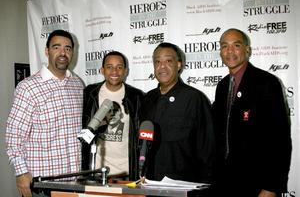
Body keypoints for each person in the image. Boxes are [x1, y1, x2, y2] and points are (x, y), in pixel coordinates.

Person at [212, 28, 292, 197]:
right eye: (224, 46)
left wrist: (271, 187)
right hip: (225, 183)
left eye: (236, 45)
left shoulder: (267, 83)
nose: (230, 51)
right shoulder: (222, 86)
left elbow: (280, 139)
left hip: (257, 185)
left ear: (247, 50)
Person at [6, 29, 84, 197]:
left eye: (68, 48)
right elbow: (14, 134)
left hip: (74, 182)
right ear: (47, 51)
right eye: (57, 47)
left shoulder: (77, 84)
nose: (63, 52)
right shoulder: (28, 87)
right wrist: (21, 172)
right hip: (42, 183)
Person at [140, 42, 215, 183]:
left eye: (168, 61)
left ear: (179, 64)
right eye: (157, 61)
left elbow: (208, 149)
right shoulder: (147, 99)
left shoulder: (194, 99)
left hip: (184, 185)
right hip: (150, 183)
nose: (162, 66)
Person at [81, 51, 144, 181]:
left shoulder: (136, 97)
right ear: (102, 70)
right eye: (109, 67)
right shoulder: (89, 93)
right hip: (96, 172)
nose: (114, 71)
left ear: (126, 71)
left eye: (119, 67)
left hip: (126, 174)